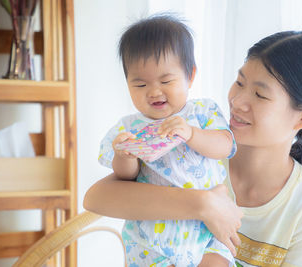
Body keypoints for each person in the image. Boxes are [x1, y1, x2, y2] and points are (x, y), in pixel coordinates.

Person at [85, 30, 302, 267]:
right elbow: (95, 198)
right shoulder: (199, 153)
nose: (237, 101)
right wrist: (204, 204)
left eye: (260, 95)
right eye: (239, 82)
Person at [97, 14, 238, 267]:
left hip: (206, 230)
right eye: (139, 85)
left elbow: (225, 146)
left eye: (166, 81)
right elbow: (126, 177)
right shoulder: (129, 127)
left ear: (190, 76)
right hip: (151, 238)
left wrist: (193, 134)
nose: (154, 91)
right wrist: (124, 155)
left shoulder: (202, 112)